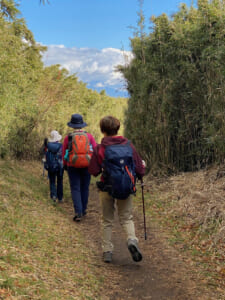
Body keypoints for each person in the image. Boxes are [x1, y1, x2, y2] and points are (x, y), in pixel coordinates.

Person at [88, 115, 145, 263]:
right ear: (117, 128)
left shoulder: (100, 148)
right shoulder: (128, 146)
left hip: (106, 187)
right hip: (125, 186)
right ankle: (132, 240)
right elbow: (139, 169)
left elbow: (93, 170)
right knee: (126, 218)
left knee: (107, 220)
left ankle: (107, 251)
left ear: (102, 130)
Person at [62, 114, 97, 222]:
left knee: (75, 188)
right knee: (85, 187)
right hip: (87, 165)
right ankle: (84, 209)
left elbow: (63, 153)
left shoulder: (69, 137)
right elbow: (95, 150)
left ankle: (78, 212)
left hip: (72, 165)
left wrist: (65, 165)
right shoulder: (89, 136)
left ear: (72, 125)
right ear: (82, 124)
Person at [44, 130, 64, 203]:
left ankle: (53, 196)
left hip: (51, 166)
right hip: (60, 166)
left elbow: (45, 155)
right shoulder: (61, 146)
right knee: (60, 181)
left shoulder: (48, 146)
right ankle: (60, 198)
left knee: (52, 181)